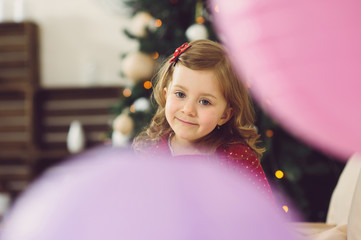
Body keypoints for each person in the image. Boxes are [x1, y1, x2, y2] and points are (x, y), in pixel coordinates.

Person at [132, 39, 272, 198]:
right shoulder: (154, 155)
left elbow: (262, 210)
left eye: (205, 102)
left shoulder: (237, 158)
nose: (188, 110)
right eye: (180, 94)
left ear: (225, 115)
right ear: (166, 96)